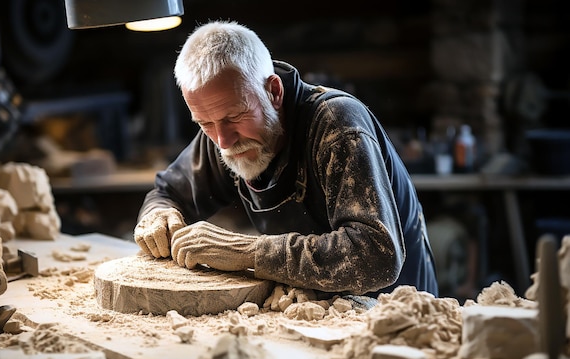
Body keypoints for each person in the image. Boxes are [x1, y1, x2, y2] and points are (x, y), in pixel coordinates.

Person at [134, 20, 438, 298]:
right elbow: (167, 193)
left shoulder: (337, 124)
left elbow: (376, 256)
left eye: (235, 116)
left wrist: (247, 252)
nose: (223, 141)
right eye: (205, 123)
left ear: (274, 91)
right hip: (317, 312)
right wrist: (158, 216)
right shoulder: (224, 128)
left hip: (396, 313)